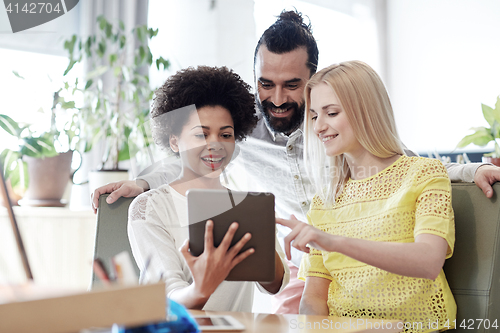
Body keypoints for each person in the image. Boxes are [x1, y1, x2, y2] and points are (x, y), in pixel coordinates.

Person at [92, 10, 500, 314]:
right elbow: (193, 151)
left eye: (293, 85)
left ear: (313, 79)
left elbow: (399, 163)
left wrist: (471, 169)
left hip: (336, 265)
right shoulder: (238, 126)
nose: (278, 98)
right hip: (302, 267)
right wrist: (142, 183)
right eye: (266, 84)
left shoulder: (338, 128)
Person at [278, 61, 455, 332]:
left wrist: (333, 242)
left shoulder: (424, 174)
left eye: (332, 113)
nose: (319, 127)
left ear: (366, 111)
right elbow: (313, 299)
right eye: (314, 116)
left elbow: (428, 261)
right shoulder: (324, 202)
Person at [128, 66, 288, 311]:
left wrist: (260, 234)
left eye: (226, 135)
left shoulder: (247, 206)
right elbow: (166, 299)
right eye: (201, 135)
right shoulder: (150, 207)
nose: (215, 145)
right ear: (174, 141)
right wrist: (200, 288)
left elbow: (275, 285)